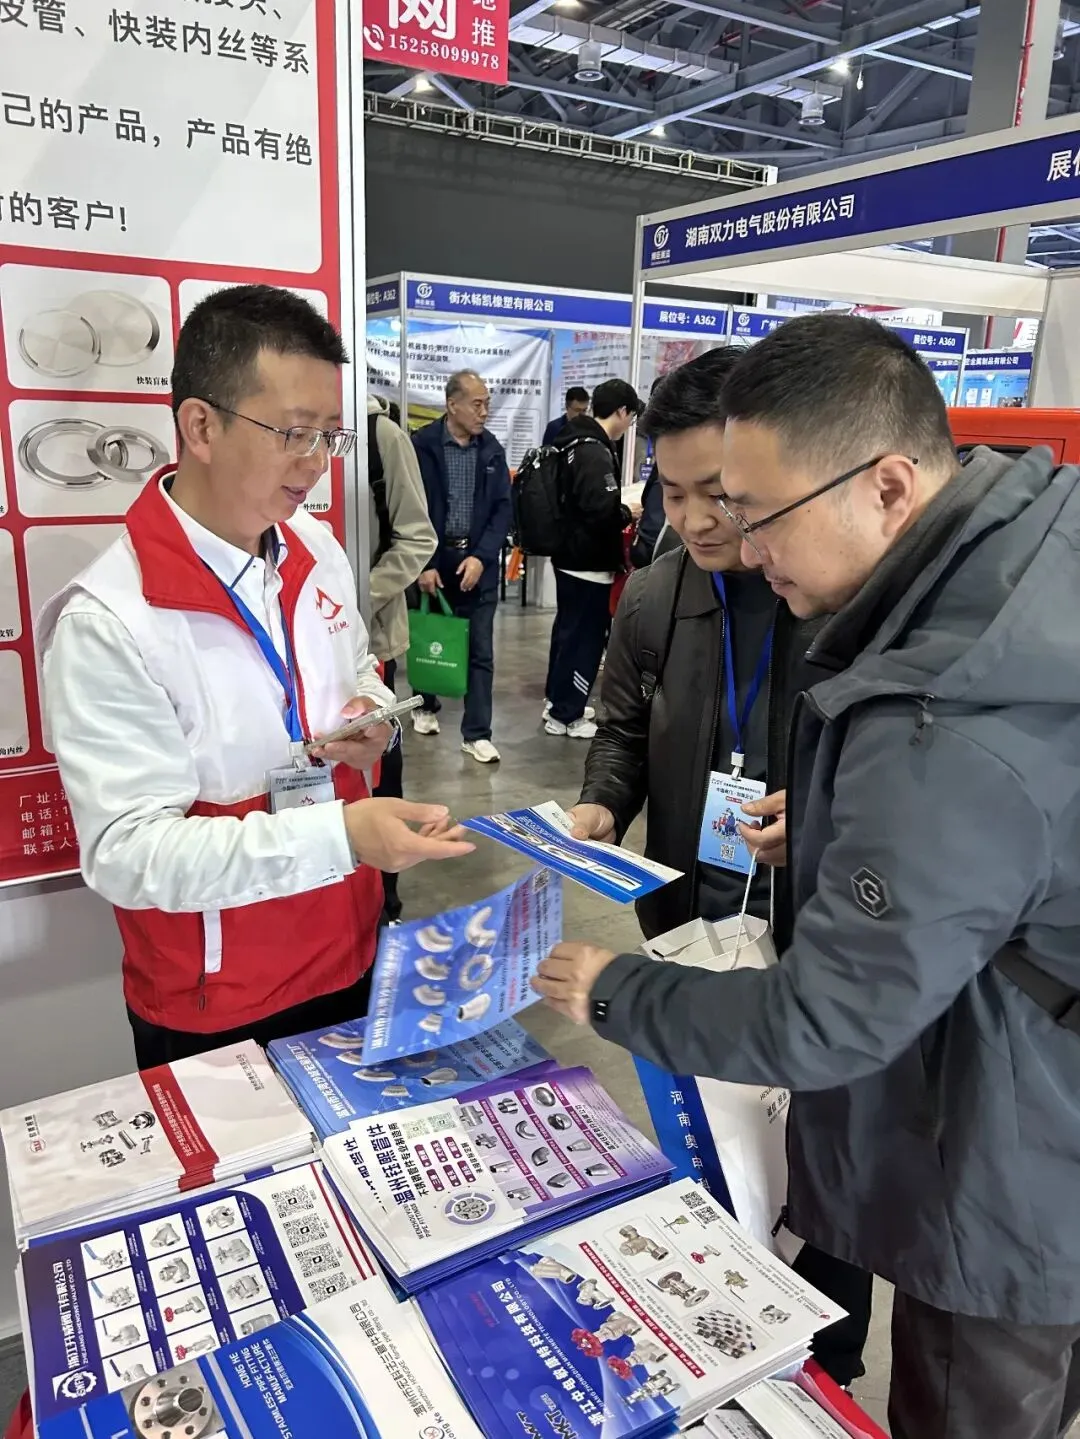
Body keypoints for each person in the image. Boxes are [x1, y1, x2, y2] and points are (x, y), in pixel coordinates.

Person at [534, 313, 1080, 1439]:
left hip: (1011, 1162)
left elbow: (827, 1019)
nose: (735, 539)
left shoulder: (941, 709)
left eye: (756, 510)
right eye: (700, 501)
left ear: (887, 486)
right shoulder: (1029, 554)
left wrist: (612, 990)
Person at [38, 285, 474, 1068]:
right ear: (200, 426)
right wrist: (341, 833)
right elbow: (128, 852)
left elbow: (357, 668)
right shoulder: (110, 618)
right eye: (294, 434)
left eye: (329, 436)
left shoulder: (315, 548)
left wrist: (373, 715)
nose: (316, 463)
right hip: (217, 999)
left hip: (349, 946)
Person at [566, 348, 872, 1389]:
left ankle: (829, 1366)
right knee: (710, 1143)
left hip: (811, 940)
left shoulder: (832, 598)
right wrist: (603, 801)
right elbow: (621, 726)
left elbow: (896, 775)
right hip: (688, 924)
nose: (696, 518)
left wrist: (820, 823)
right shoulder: (657, 595)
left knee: (823, 1162)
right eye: (671, 491)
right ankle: (731, 1341)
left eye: (718, 492)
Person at [411, 370, 512, 764]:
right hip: (436, 563)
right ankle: (424, 705)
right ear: (452, 405)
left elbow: (503, 510)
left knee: (480, 651)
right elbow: (410, 508)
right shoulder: (422, 446)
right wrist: (425, 562)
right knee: (430, 637)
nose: (484, 412)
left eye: (487, 404)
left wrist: (482, 557)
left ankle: (477, 733)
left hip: (476, 564)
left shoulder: (492, 451)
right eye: (477, 404)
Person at [366, 393, 438, 925]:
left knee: (378, 775)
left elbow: (417, 536)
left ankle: (383, 903)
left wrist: (355, 596)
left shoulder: (380, 436)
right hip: (284, 644)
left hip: (369, 643)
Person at [543, 378, 640, 741]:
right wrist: (628, 512)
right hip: (589, 561)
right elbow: (600, 511)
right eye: (631, 417)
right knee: (584, 640)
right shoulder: (594, 450)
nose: (629, 425)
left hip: (569, 556)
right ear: (622, 412)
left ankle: (557, 702)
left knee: (567, 634)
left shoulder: (571, 440)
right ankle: (566, 715)